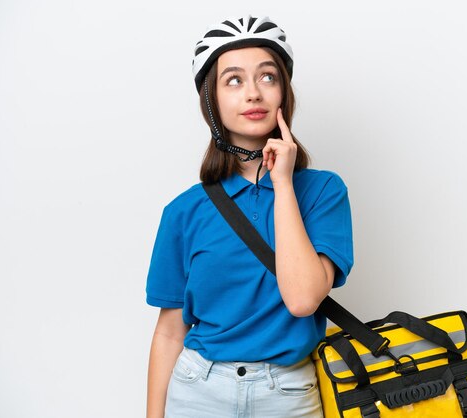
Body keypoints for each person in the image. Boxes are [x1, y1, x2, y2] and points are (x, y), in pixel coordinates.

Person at [145, 15, 353, 418]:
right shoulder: (183, 212)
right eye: (234, 80)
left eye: (267, 77)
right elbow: (170, 332)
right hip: (197, 390)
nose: (253, 93)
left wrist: (284, 184)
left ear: (284, 93)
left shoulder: (324, 192)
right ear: (212, 100)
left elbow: (304, 299)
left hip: (289, 392)